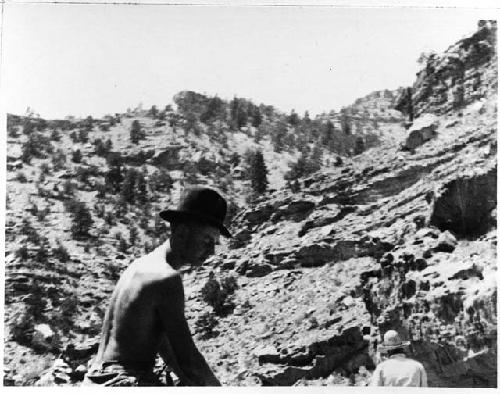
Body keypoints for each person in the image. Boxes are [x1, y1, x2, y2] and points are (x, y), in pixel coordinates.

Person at [83, 187, 231, 386]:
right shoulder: (166, 278)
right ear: (182, 232)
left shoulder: (140, 266)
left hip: (95, 380)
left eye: (214, 243)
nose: (211, 251)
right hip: (123, 381)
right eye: (207, 240)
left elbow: (167, 348)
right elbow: (190, 361)